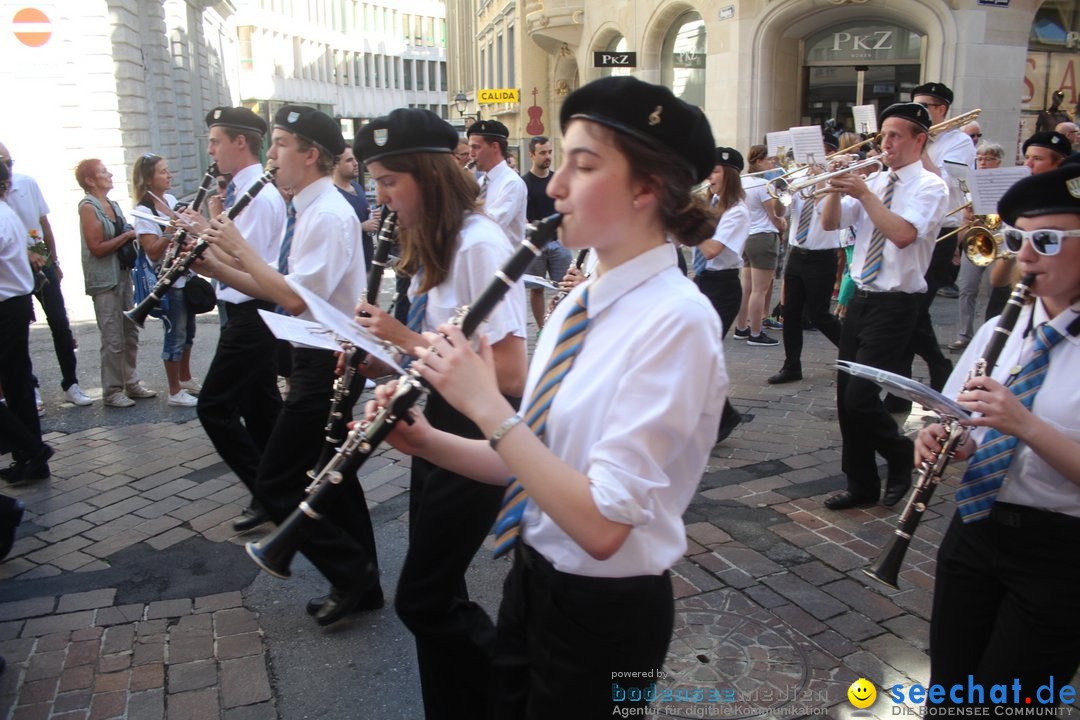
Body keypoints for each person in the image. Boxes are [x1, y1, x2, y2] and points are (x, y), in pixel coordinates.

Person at [370, 76, 727, 717]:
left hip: (604, 615)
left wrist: (486, 406)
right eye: (560, 161)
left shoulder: (677, 320)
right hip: (533, 578)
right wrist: (425, 440)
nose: (555, 185)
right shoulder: (579, 301)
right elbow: (534, 461)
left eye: (582, 166)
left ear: (647, 187)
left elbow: (601, 526)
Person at [352, 107, 528, 720]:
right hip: (442, 419)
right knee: (437, 590)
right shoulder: (437, 239)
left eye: (390, 182)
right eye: (376, 182)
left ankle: (519, 693)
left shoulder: (478, 245)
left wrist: (403, 338)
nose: (382, 198)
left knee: (424, 599)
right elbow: (448, 348)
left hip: (478, 427)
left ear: (428, 176)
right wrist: (390, 368)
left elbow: (507, 373)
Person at [199, 104, 380, 625]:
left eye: (279, 144)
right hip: (316, 354)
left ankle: (351, 573)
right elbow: (281, 292)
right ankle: (360, 583)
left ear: (311, 154)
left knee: (278, 482)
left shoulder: (324, 214)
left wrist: (234, 246)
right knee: (331, 476)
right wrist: (216, 265)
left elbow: (296, 299)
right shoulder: (310, 207)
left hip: (326, 361)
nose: (271, 154)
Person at [918, 162, 1080, 709]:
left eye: (1047, 240)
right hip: (976, 527)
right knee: (951, 693)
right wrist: (948, 437)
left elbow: (1015, 421)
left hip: (1061, 551)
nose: (1025, 255)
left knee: (1010, 702)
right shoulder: (1001, 328)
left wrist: (1025, 425)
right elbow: (957, 415)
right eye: (1016, 239)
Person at [820, 102, 949, 511]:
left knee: (861, 398)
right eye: (883, 135)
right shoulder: (875, 182)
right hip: (861, 297)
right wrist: (833, 185)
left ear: (918, 140)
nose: (885, 143)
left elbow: (903, 234)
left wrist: (863, 191)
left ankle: (898, 456)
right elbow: (830, 225)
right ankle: (861, 485)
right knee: (846, 401)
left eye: (894, 136)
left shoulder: (931, 186)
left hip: (897, 304)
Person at [185, 107, 287, 532]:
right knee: (261, 408)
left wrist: (204, 242)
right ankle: (283, 488)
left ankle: (272, 495)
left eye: (215, 141)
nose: (210, 150)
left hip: (253, 313)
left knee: (214, 407)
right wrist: (203, 231)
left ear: (239, 142)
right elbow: (235, 255)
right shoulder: (240, 191)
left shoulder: (259, 197)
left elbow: (254, 270)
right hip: (242, 310)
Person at [893, 83, 972, 403]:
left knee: (912, 308)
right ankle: (936, 369)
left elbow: (944, 182)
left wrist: (918, 148)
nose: (920, 112)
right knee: (909, 308)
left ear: (941, 109)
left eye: (925, 106)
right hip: (908, 224)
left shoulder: (960, 141)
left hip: (941, 231)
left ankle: (915, 381)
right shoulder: (917, 138)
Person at [0, 142, 91, 409]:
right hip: (15, 270)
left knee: (60, 323)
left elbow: (44, 224)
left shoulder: (27, 183)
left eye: (10, 162)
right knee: (20, 331)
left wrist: (54, 259)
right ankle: (31, 388)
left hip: (43, 263)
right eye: (2, 163)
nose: (8, 168)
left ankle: (71, 382)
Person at [76, 159, 155, 408]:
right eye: (103, 172)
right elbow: (97, 248)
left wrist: (127, 235)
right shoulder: (88, 207)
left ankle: (131, 382)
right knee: (112, 337)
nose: (109, 174)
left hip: (122, 276)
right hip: (104, 281)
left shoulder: (113, 204)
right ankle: (112, 391)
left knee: (129, 332)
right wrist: (127, 236)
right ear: (90, 180)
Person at [130, 153, 200, 407]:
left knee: (189, 331)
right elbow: (153, 251)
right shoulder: (143, 211)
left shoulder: (169, 200)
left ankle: (185, 378)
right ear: (148, 180)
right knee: (175, 333)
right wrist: (171, 228)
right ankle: (173, 391)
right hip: (167, 281)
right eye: (162, 172)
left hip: (184, 276)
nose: (169, 175)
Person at [0, 159, 53, 481]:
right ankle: (30, 455)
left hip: (7, 307)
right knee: (17, 384)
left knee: (17, 383)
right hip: (12, 304)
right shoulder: (7, 213)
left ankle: (32, 452)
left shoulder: (2, 216)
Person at [693, 146, 749, 440]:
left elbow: (712, 250)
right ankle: (720, 416)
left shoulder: (737, 212)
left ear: (728, 175)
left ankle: (722, 417)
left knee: (702, 355)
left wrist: (690, 223)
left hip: (724, 286)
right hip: (703, 282)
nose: (709, 177)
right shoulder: (711, 203)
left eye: (714, 171)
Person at [768, 167, 843, 385]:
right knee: (790, 313)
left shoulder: (834, 182)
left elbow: (824, 213)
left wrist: (822, 178)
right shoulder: (798, 181)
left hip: (822, 256)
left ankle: (853, 352)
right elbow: (781, 212)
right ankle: (791, 366)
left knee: (819, 314)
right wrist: (780, 190)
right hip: (797, 254)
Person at [950, 141, 1005, 353]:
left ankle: (992, 335)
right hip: (976, 241)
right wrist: (959, 241)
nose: (983, 162)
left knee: (995, 291)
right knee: (966, 289)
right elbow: (964, 220)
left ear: (998, 162)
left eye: (988, 159)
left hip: (998, 242)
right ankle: (964, 335)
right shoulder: (969, 185)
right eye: (980, 159)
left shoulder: (1005, 184)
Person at [733, 145, 786, 345]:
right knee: (759, 290)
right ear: (758, 161)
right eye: (768, 160)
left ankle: (741, 328)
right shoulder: (764, 185)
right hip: (763, 237)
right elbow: (775, 215)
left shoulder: (741, 182)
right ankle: (756, 332)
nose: (772, 163)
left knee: (746, 287)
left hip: (746, 237)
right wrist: (782, 226)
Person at [522, 135, 572, 329]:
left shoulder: (558, 180)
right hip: (536, 244)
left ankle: (562, 325)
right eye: (542, 153)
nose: (547, 156)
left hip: (560, 242)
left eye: (549, 152)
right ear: (532, 155)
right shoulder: (524, 183)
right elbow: (522, 215)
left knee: (565, 288)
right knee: (537, 289)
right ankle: (542, 327)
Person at [467, 119, 527, 246]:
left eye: (476, 147)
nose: (471, 154)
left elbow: (492, 223)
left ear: (495, 147)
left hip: (505, 261)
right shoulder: (481, 181)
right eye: (470, 148)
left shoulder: (512, 182)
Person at [332, 145, 376, 270]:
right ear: (335, 165)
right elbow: (333, 230)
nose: (356, 164)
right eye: (349, 160)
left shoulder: (357, 187)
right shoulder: (332, 194)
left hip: (366, 261)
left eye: (355, 159)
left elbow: (363, 215)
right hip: (347, 267)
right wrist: (362, 226)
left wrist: (373, 216)